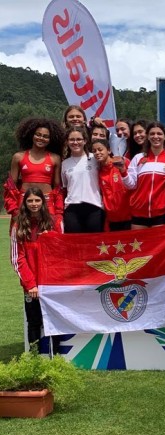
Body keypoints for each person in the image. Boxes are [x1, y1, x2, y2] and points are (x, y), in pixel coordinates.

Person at [11, 187, 62, 353]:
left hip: (51, 283)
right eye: (30, 200)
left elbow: (62, 254)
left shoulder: (53, 223)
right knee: (34, 322)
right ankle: (34, 359)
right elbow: (17, 259)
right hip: (31, 286)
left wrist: (52, 239)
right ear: (25, 203)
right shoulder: (18, 225)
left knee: (54, 321)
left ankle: (57, 358)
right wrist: (30, 284)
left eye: (37, 200)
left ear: (43, 202)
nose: (34, 204)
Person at [122, 121, 165, 229]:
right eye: (152, 134)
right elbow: (131, 185)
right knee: (140, 245)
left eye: (159, 134)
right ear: (148, 137)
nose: (155, 136)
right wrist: (123, 171)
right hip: (138, 212)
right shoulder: (138, 158)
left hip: (162, 213)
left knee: (160, 246)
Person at [5, 118, 65, 219]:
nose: (41, 138)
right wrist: (13, 207)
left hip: (47, 201)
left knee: (49, 233)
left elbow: (57, 186)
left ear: (51, 139)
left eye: (46, 136)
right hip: (24, 200)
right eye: (38, 134)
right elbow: (11, 186)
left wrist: (58, 209)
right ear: (32, 135)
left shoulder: (55, 158)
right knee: (22, 233)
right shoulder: (18, 157)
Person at [61, 126, 104, 233]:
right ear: (67, 142)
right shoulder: (65, 164)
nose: (75, 142)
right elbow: (65, 187)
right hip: (72, 208)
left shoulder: (95, 158)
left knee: (94, 244)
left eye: (79, 139)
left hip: (94, 206)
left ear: (85, 141)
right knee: (75, 245)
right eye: (72, 139)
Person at [92, 139, 131, 231]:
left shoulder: (123, 163)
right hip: (112, 220)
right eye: (94, 151)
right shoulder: (99, 172)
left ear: (109, 150)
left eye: (100, 149)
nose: (97, 153)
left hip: (129, 217)